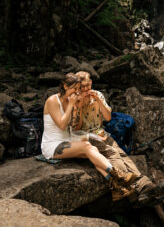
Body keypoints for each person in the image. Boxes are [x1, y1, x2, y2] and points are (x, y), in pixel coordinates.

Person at [75, 71, 164, 206]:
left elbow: (107, 118)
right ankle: (142, 187)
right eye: (82, 87)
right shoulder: (74, 100)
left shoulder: (98, 95)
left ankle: (139, 194)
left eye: (88, 85)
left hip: (101, 133)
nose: (85, 89)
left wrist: (99, 101)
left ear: (91, 83)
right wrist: (80, 105)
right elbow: (76, 128)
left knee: (123, 155)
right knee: (113, 154)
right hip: (85, 137)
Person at [41, 72, 137, 201]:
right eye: (74, 89)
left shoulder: (71, 100)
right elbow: (62, 125)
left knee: (94, 152)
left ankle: (116, 188)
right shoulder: (53, 100)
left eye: (77, 89)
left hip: (68, 140)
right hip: (52, 145)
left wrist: (77, 108)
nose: (76, 92)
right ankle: (119, 176)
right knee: (87, 146)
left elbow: (74, 125)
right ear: (64, 86)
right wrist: (71, 105)